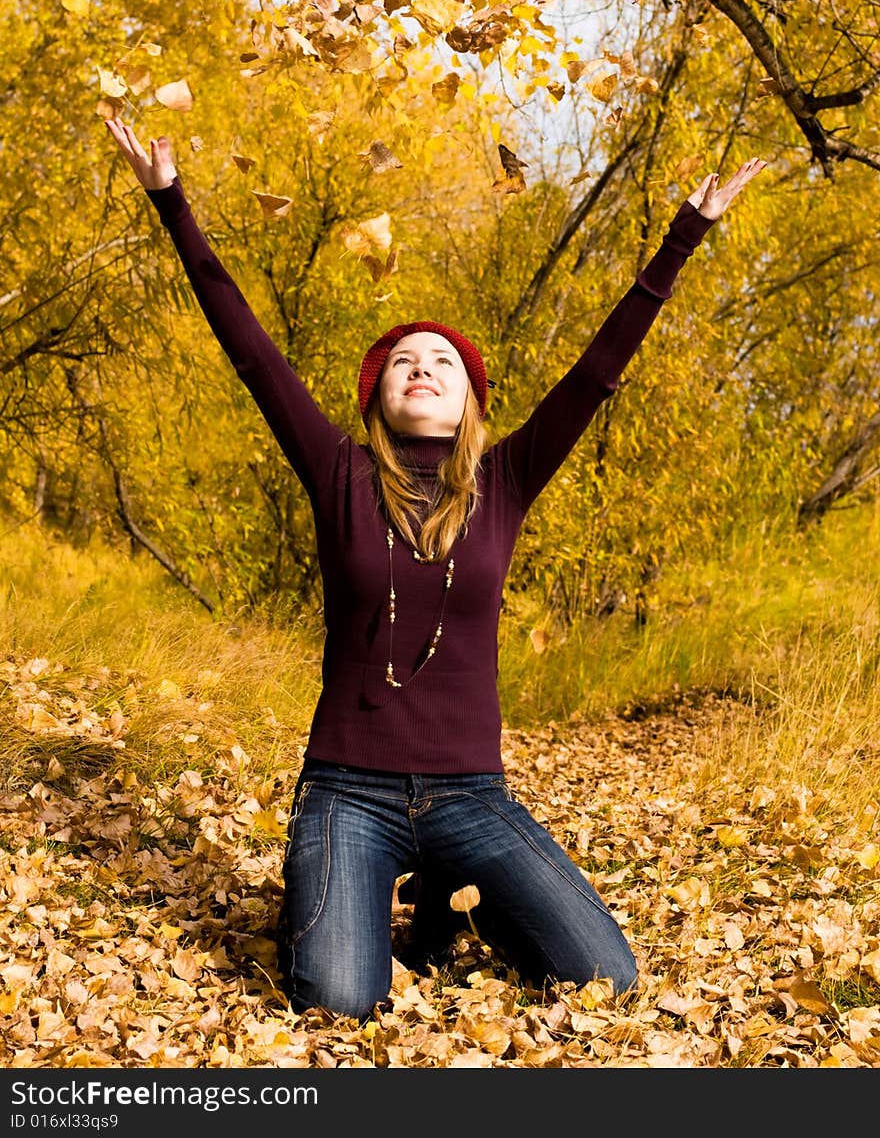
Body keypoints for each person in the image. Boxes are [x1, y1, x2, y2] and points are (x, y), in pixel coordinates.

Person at [105, 116, 765, 1021]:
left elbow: (598, 371)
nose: (423, 367)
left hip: (470, 793)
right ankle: (401, 902)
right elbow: (251, 352)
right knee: (337, 999)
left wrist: (683, 233)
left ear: (470, 400)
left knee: (604, 976)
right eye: (403, 361)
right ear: (376, 394)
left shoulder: (506, 480)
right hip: (348, 789)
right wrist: (170, 201)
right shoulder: (338, 471)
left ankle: (447, 900)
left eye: (443, 362)